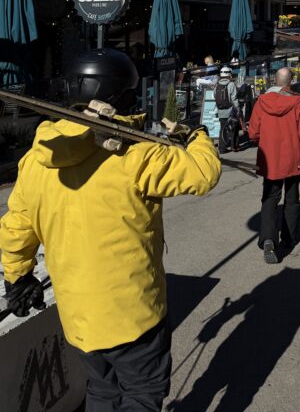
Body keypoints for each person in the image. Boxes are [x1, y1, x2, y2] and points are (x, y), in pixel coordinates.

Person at [0, 48, 221, 412]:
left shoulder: (39, 159)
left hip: (79, 315)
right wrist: (192, 133)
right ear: (120, 97)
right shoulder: (136, 156)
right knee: (141, 394)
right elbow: (203, 173)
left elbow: (16, 227)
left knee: (101, 389)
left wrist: (18, 276)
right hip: (134, 314)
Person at [248, 68, 300, 264]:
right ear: (290, 82)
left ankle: (268, 238)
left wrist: (266, 139)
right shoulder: (298, 103)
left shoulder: (261, 102)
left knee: (269, 199)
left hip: (270, 159)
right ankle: (289, 238)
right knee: (291, 199)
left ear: (275, 81)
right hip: (293, 159)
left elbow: (252, 133)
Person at [215, 66, 239, 153]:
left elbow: (215, 96)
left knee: (222, 128)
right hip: (230, 110)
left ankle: (222, 148)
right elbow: (234, 98)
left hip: (221, 111)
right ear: (229, 74)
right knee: (233, 128)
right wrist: (238, 109)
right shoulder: (231, 84)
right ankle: (234, 146)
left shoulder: (217, 84)